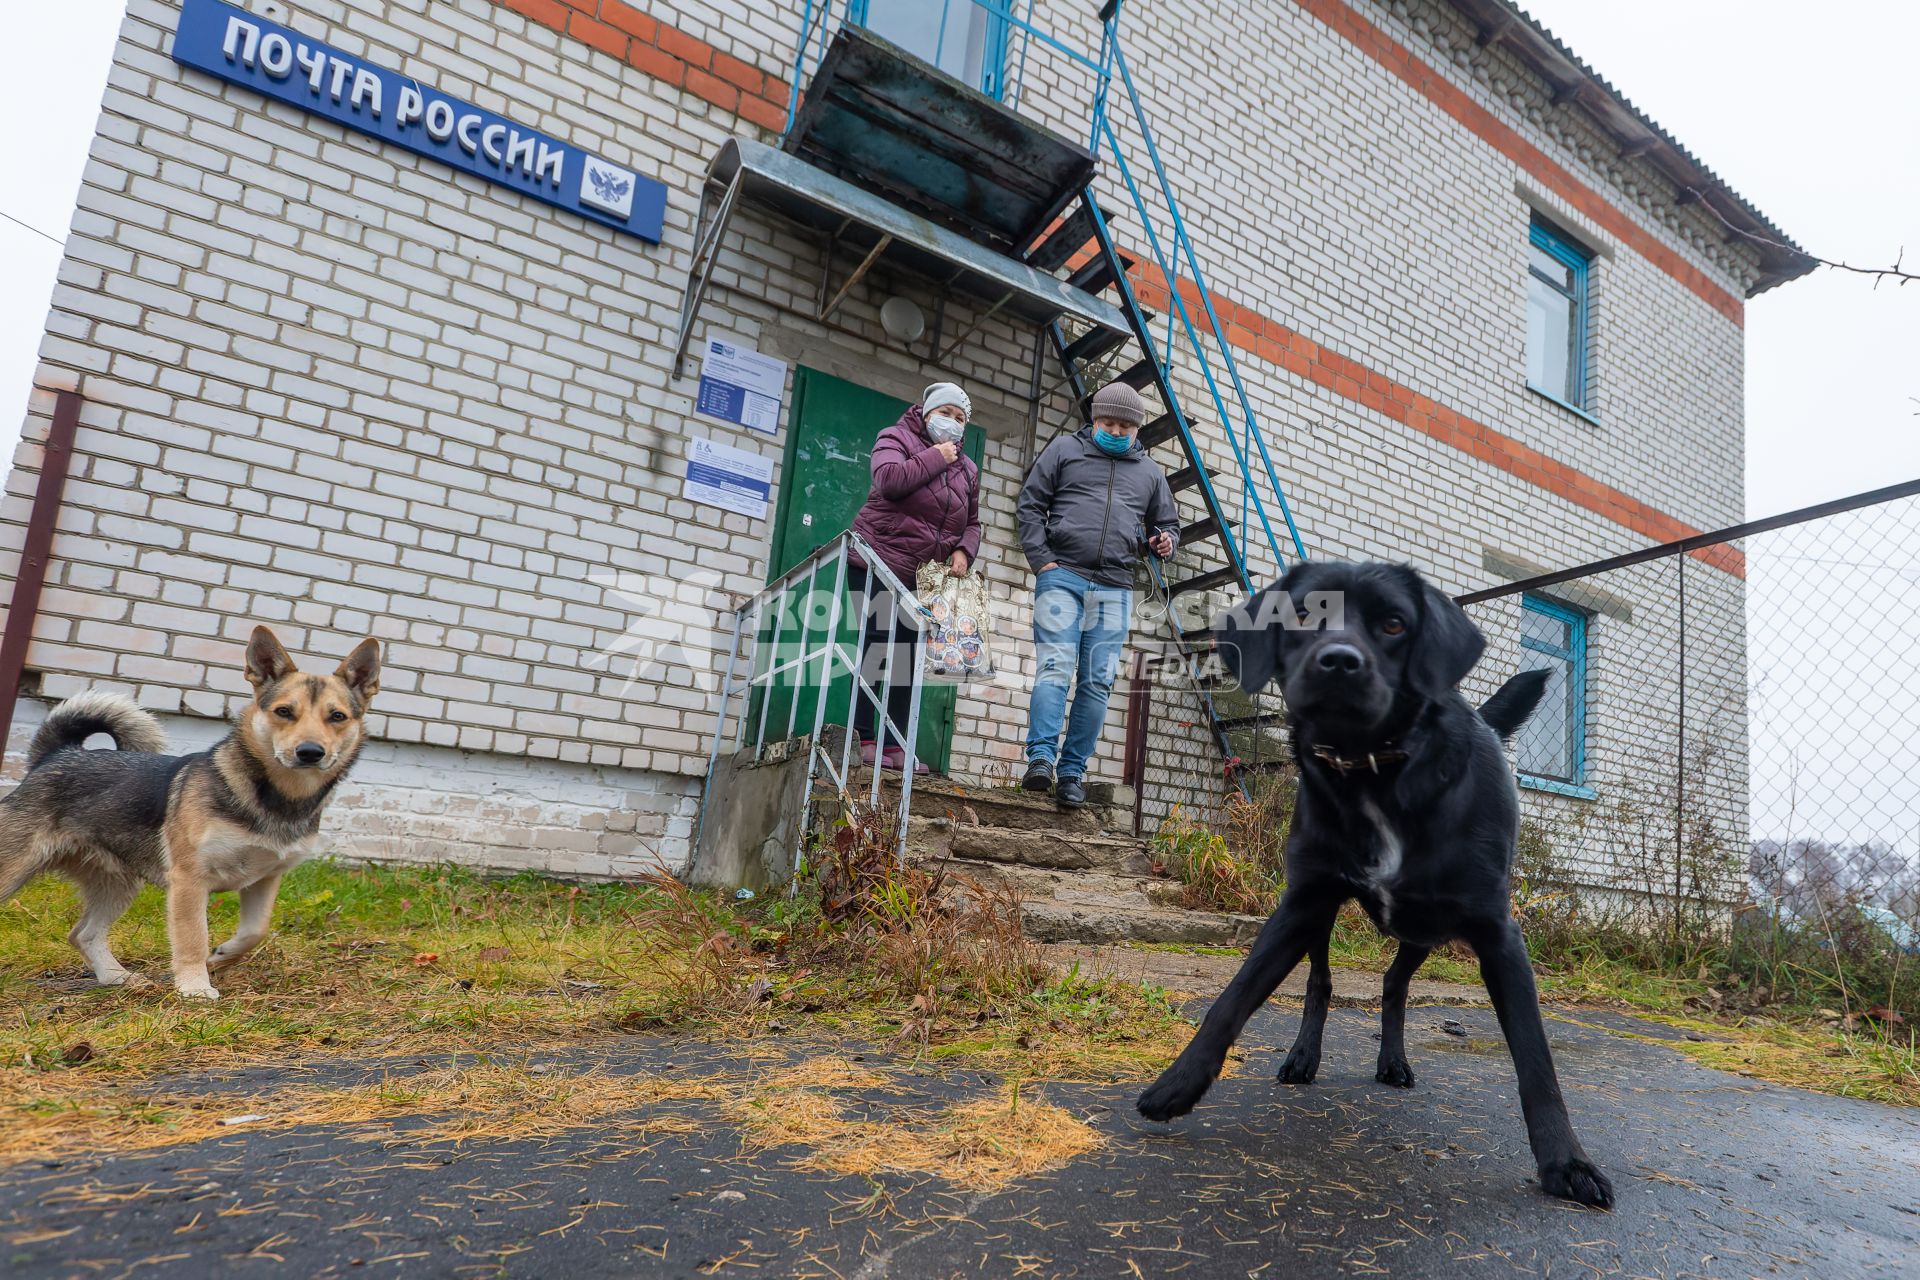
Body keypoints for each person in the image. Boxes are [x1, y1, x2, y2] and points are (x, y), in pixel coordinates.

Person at [1016, 380, 1179, 808]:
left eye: (1126, 426)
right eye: (1108, 422)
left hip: (1115, 587)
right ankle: (1040, 762)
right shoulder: (1064, 451)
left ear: (1137, 429)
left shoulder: (1150, 473)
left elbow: (1168, 525)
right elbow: (1031, 504)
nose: (1117, 431)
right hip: (1062, 577)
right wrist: (1042, 562)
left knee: (1097, 683)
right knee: (1055, 667)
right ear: (1094, 419)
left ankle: (1072, 772)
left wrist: (1165, 541)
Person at [846, 381, 982, 772]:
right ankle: (863, 738)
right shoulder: (897, 437)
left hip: (922, 580)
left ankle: (895, 744)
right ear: (926, 413)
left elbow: (971, 523)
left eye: (960, 419)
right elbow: (888, 480)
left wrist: (963, 550)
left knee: (906, 659)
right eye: (945, 414)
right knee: (877, 650)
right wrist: (937, 457)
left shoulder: (968, 469)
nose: (952, 423)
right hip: (875, 561)